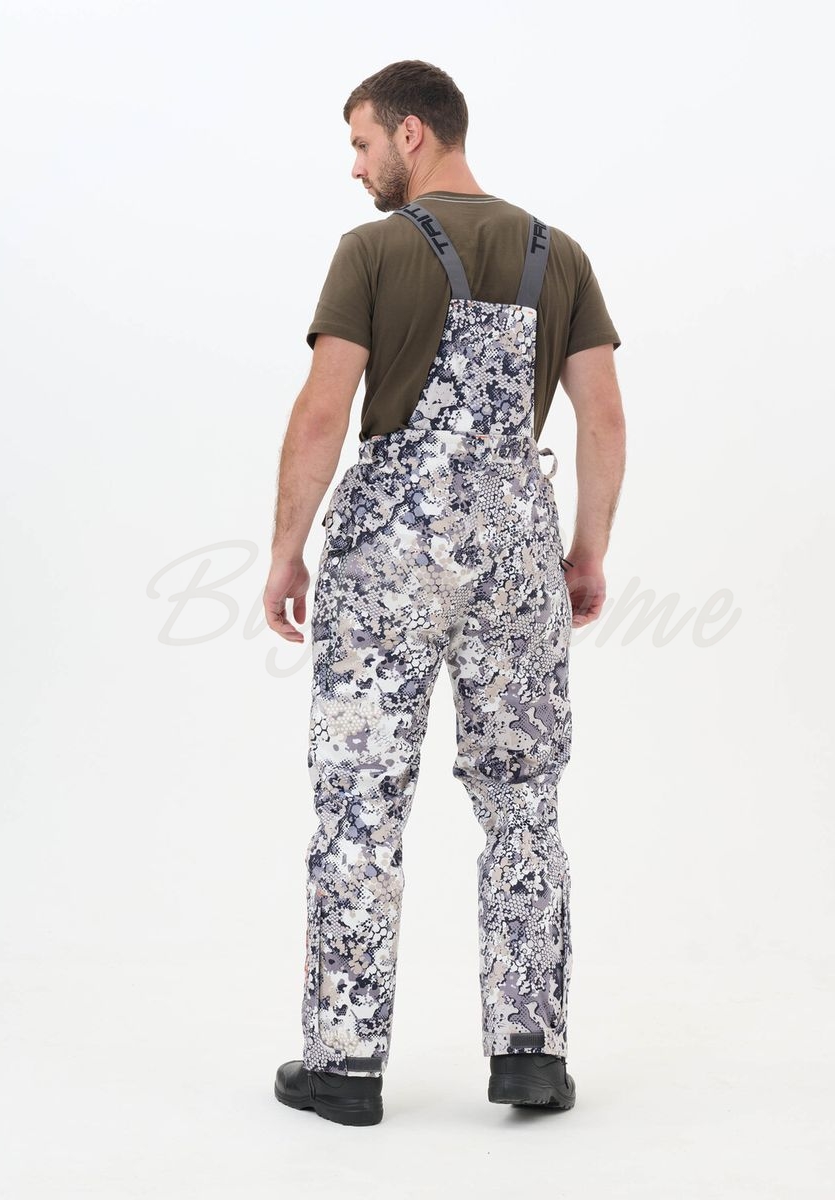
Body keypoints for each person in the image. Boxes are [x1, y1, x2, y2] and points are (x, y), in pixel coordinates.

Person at [265, 60, 626, 1126]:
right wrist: (584, 552)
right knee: (523, 802)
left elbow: (323, 412)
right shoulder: (559, 254)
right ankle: (530, 1057)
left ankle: (343, 1067)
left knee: (360, 798)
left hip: (389, 556)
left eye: (362, 142)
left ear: (412, 132)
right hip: (516, 553)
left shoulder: (373, 251)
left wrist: (287, 550)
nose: (356, 167)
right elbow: (604, 419)